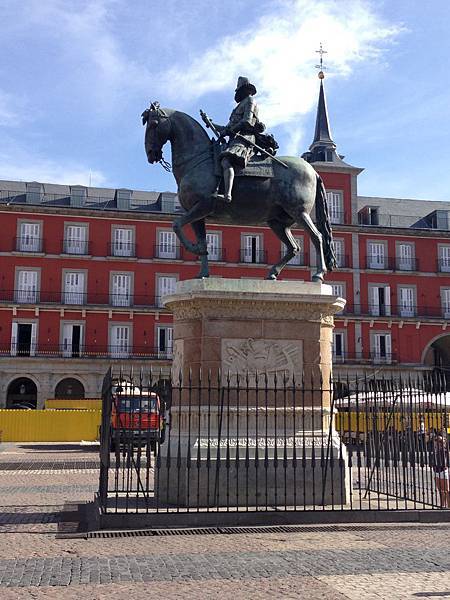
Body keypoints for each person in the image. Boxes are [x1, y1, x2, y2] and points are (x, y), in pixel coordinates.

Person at [212, 76, 261, 203]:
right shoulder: (240, 105)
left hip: (245, 138)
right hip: (235, 138)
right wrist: (211, 124)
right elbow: (226, 128)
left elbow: (247, 121)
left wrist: (230, 130)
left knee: (226, 161)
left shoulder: (250, 101)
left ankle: (227, 195)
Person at [431, 431, 450, 508]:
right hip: (436, 470)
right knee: (440, 491)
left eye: (440, 441)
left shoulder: (445, 450)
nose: (438, 443)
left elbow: (447, 461)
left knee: (446, 490)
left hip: (443, 470)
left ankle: (448, 507)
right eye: (436, 441)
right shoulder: (435, 450)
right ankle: (442, 506)